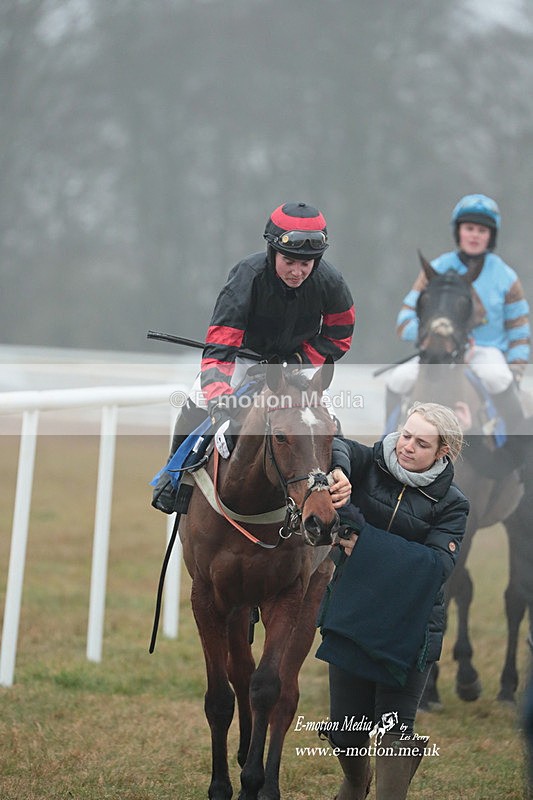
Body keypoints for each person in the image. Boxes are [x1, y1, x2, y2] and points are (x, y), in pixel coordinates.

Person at [152, 201, 355, 513]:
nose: (297, 271)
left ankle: (339, 493)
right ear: (272, 251)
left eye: (306, 263)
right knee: (197, 398)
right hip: (243, 358)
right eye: (289, 261)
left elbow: (339, 337)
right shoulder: (246, 276)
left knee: (325, 416)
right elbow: (221, 347)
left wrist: (298, 361)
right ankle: (173, 475)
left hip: (295, 362)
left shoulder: (331, 282)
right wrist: (220, 405)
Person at [317, 402, 469, 800]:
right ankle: (355, 782)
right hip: (353, 612)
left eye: (422, 443)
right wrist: (339, 471)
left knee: (394, 732)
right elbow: (337, 444)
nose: (407, 446)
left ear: (442, 452)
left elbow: (436, 566)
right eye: (406, 435)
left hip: (412, 627)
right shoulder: (370, 462)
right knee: (345, 729)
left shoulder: (453, 504)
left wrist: (365, 545)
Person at [387, 194, 530, 441]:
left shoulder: (506, 277)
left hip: (485, 351)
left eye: (482, 230)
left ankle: (515, 450)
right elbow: (404, 321)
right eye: (469, 228)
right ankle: (386, 444)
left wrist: (516, 371)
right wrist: (432, 332)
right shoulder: (435, 269)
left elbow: (519, 331)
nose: (475, 235)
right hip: (440, 350)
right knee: (397, 379)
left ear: (491, 236)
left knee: (498, 378)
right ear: (459, 231)